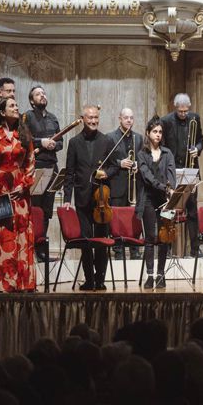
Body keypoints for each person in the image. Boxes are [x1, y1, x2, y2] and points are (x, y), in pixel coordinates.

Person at [0, 97, 37, 292]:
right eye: (12, 105)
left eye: (16, 105)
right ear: (2, 112)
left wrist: (25, 184)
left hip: (19, 194)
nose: (16, 107)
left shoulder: (24, 134)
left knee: (19, 236)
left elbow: (30, 162)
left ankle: (20, 282)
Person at [63, 105, 118, 291]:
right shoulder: (74, 142)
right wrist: (67, 198)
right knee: (86, 241)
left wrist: (106, 173)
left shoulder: (107, 140)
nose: (94, 121)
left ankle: (100, 279)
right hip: (82, 198)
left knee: (102, 240)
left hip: (102, 199)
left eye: (96, 117)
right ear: (82, 119)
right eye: (90, 118)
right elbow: (69, 173)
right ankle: (89, 280)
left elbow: (114, 166)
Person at [161, 93, 203, 257]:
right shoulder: (165, 121)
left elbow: (201, 140)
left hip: (190, 169)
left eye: (186, 111)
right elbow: (162, 145)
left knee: (192, 209)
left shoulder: (195, 118)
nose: (184, 114)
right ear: (175, 107)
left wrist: (197, 149)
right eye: (180, 111)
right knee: (169, 209)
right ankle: (167, 246)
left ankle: (195, 248)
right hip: (172, 171)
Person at [136, 116, 176, 289]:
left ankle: (161, 275)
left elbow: (171, 174)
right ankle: (150, 275)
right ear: (148, 133)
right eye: (155, 131)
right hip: (148, 200)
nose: (158, 135)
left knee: (164, 237)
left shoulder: (168, 153)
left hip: (165, 200)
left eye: (160, 132)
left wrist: (171, 190)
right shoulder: (142, 154)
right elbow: (147, 177)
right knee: (150, 238)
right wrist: (164, 187)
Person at [24, 85, 62, 262]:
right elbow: (23, 138)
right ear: (32, 101)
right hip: (36, 166)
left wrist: (54, 144)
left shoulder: (53, 118)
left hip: (52, 167)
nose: (42, 96)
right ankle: (30, 249)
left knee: (46, 210)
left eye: (43, 93)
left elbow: (60, 142)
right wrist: (42, 141)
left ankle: (41, 250)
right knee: (36, 209)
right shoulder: (27, 116)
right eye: (38, 94)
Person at [108, 107, 142, 260]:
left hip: (134, 186)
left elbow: (142, 159)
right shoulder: (110, 138)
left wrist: (137, 165)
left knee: (135, 218)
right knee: (117, 220)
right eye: (126, 118)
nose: (129, 120)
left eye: (131, 118)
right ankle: (118, 252)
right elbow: (106, 160)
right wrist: (119, 163)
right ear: (120, 119)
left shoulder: (139, 138)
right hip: (117, 185)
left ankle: (135, 251)